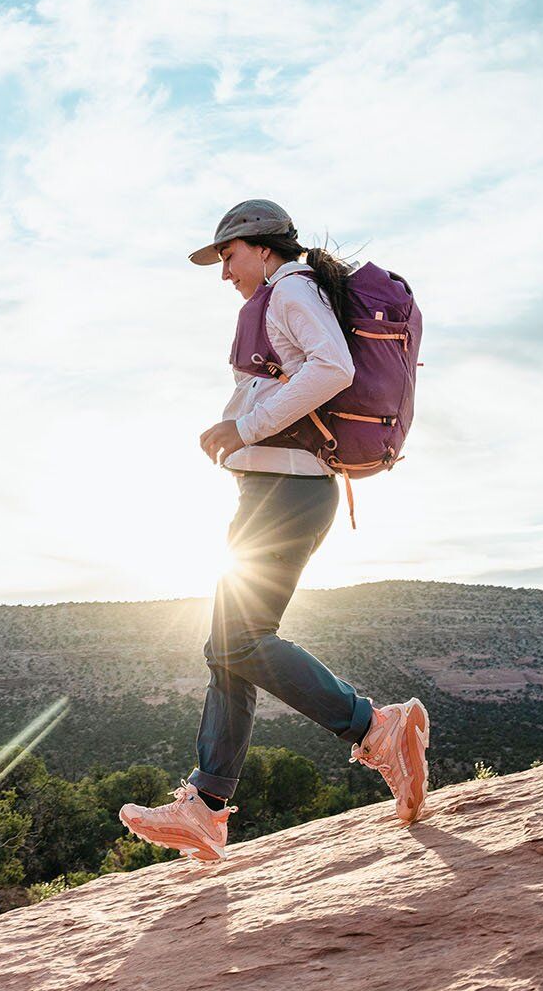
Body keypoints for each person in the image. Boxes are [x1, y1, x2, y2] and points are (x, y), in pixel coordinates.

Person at [118, 199, 431, 862]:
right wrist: (235, 431)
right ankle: (205, 807)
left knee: (240, 640)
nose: (224, 272)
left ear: (261, 245)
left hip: (288, 490)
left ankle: (378, 726)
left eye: (227, 256)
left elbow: (333, 367)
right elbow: (284, 381)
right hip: (275, 488)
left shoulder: (290, 289)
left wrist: (244, 430)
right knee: (226, 644)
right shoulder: (282, 295)